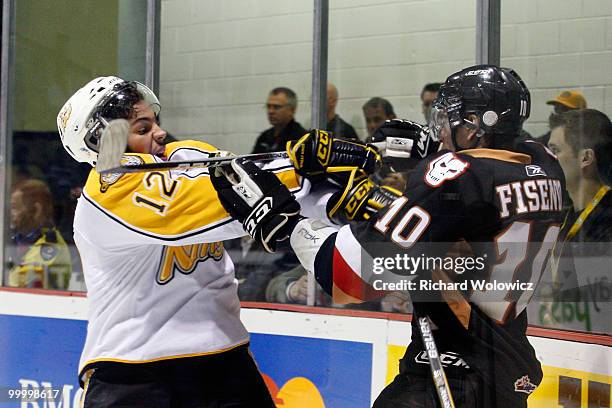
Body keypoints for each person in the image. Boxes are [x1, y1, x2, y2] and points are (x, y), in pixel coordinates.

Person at [212, 65, 568, 407]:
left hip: (451, 374)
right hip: (508, 374)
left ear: (475, 126)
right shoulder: (546, 164)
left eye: (450, 121)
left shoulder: (455, 177)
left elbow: (349, 277)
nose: (441, 131)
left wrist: (286, 224)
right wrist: (424, 149)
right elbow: (478, 195)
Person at [57, 76, 327, 407]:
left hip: (223, 362)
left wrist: (338, 179)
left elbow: (252, 183)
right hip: (133, 372)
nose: (158, 132)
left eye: (154, 122)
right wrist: (302, 167)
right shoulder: (107, 189)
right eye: (142, 129)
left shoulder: (185, 156)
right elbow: (220, 202)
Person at [7, 179, 72, 289]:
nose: (8, 214)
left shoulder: (51, 248)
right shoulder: (17, 239)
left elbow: (18, 285)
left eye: (14, 208)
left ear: (36, 210)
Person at [252, 87, 307, 153]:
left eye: (276, 107)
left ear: (292, 110)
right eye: (269, 106)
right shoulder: (264, 137)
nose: (271, 111)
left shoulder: (300, 139)